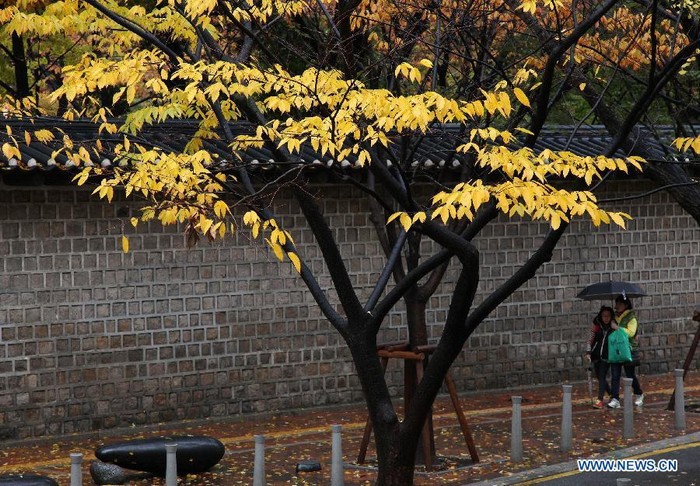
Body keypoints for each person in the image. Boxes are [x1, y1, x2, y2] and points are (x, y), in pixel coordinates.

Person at [607, 294, 644, 409]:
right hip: (615, 349)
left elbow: (631, 332)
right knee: (615, 375)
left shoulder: (631, 317)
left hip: (628, 350)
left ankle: (638, 394)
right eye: (616, 303)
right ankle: (615, 398)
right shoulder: (614, 317)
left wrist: (617, 328)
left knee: (630, 374)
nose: (617, 306)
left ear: (626, 305)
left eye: (619, 304)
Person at [587, 306, 613, 408]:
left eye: (608, 316)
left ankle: (600, 400)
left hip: (607, 356)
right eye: (604, 316)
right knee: (599, 377)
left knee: (602, 376)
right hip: (596, 355)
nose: (606, 318)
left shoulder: (613, 327)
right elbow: (590, 339)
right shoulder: (596, 326)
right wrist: (588, 352)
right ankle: (611, 394)